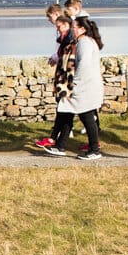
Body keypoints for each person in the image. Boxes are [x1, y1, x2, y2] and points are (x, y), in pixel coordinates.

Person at [43, 16, 106, 159]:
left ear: (82, 29)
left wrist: (73, 83)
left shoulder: (85, 43)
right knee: (66, 112)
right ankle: (60, 146)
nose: (72, 29)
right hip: (83, 85)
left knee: (87, 116)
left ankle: (94, 150)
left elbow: (83, 64)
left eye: (74, 27)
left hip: (84, 86)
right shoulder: (84, 41)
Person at [32, 11, 76, 149]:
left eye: (59, 26)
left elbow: (68, 63)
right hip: (64, 82)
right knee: (64, 113)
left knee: (77, 115)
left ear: (67, 25)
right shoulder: (65, 40)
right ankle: (57, 142)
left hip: (68, 83)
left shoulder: (70, 41)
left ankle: (93, 145)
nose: (57, 29)